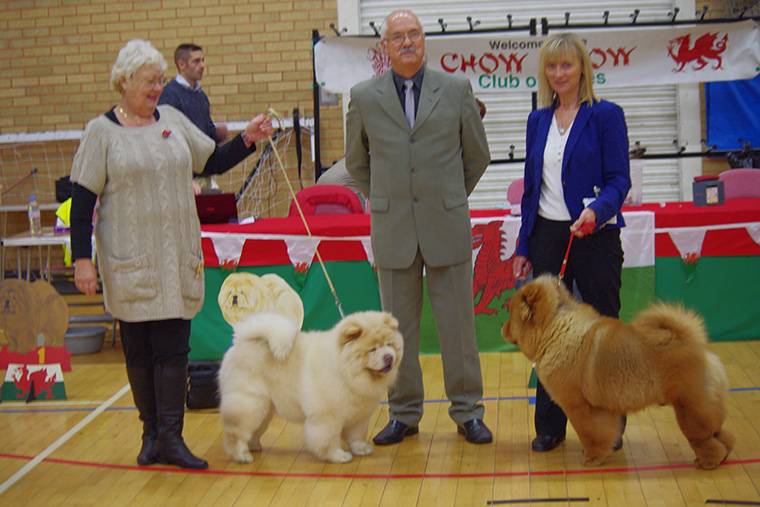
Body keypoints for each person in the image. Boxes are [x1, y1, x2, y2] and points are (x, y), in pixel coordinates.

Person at [69, 39, 273, 470]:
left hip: (177, 256)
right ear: (124, 81)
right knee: (139, 352)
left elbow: (212, 161)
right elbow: (83, 199)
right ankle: (150, 436)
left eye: (161, 79)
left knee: (173, 349)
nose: (157, 87)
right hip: (128, 261)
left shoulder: (174, 120)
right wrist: (81, 258)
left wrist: (247, 140)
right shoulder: (100, 132)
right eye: (149, 80)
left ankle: (172, 439)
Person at [345, 10, 493, 445]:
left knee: (459, 329)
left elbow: (477, 155)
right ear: (385, 47)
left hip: (445, 223)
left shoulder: (456, 90)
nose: (407, 42)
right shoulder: (364, 97)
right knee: (395, 332)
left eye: (414, 34)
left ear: (424, 41)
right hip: (393, 229)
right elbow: (356, 162)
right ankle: (404, 414)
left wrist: (448, 194)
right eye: (397, 36)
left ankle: (468, 412)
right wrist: (389, 198)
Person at [512, 32, 631, 453]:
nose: (559, 73)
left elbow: (620, 179)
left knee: (602, 330)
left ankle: (608, 425)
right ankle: (550, 425)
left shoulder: (605, 116)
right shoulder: (537, 121)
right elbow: (531, 191)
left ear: (582, 67)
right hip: (548, 235)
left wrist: (598, 210)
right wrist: (524, 246)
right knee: (548, 336)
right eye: (551, 66)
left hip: (596, 235)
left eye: (567, 65)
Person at [159, 43, 227, 190]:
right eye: (196, 61)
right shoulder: (169, 95)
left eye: (203, 60)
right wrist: (184, 178)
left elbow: (204, 138)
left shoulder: (201, 97)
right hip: (183, 181)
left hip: (204, 176)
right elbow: (166, 140)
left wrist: (218, 134)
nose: (202, 65)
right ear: (181, 65)